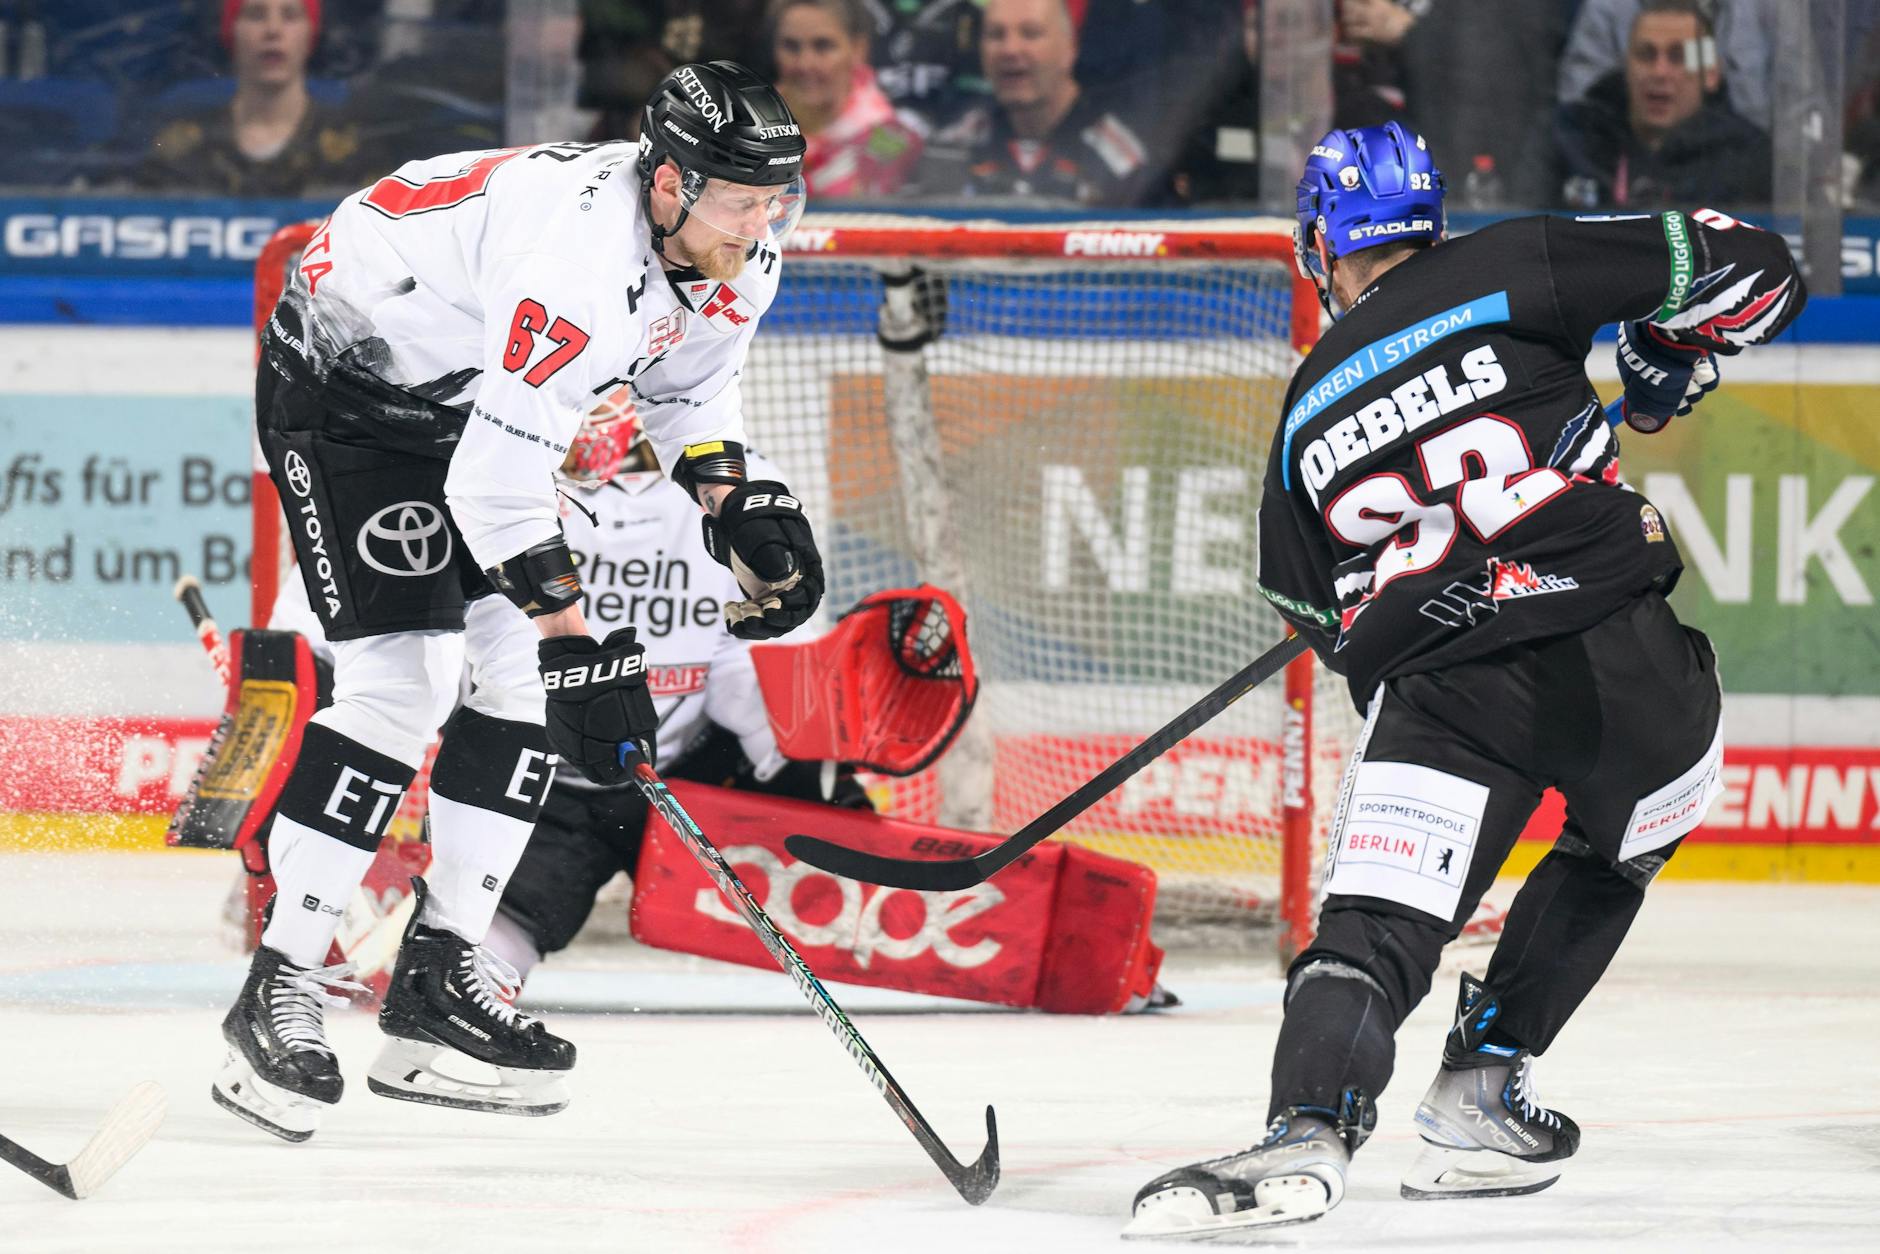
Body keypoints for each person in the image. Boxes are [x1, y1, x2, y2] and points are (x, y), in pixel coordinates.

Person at [1125, 121, 1802, 1238]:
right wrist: (1668, 343)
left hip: (1440, 686)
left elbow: (1311, 612)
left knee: (1373, 932)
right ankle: (1485, 1076)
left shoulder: (1303, 409)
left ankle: (1305, 1131)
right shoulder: (1517, 259)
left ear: (1321, 247)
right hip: (1620, 656)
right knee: (1622, 844)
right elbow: (1762, 271)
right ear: (1428, 222)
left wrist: (1415, 606)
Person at [215, 60, 826, 1143]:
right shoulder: (576, 264)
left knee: (519, 687)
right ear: (670, 183)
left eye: (775, 198)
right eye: (741, 199)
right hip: (346, 384)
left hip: (465, 391)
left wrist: (740, 506)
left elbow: (687, 395)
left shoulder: (737, 244)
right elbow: (495, 488)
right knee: (405, 682)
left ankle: (437, 985)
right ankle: (280, 987)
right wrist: (575, 644)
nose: (762, 222)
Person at [914, 0, 1161, 206]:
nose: (1010, 49)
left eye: (1030, 33)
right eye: (996, 35)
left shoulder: (1121, 161)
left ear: (1070, 49)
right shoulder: (955, 146)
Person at [134, 0, 367, 197]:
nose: (273, 30)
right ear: (231, 30)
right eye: (256, 15)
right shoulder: (182, 148)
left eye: (290, 15)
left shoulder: (354, 149)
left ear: (311, 32)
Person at [1555, 0, 1772, 209]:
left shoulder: (1749, 161)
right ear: (1626, 68)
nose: (1659, 72)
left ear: (1710, 74)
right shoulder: (1573, 144)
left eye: (1678, 57)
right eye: (1646, 55)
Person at [770, 0, 924, 199]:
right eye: (791, 47)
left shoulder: (892, 138)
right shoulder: (748, 127)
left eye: (823, 46)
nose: (805, 64)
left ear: (858, 49)